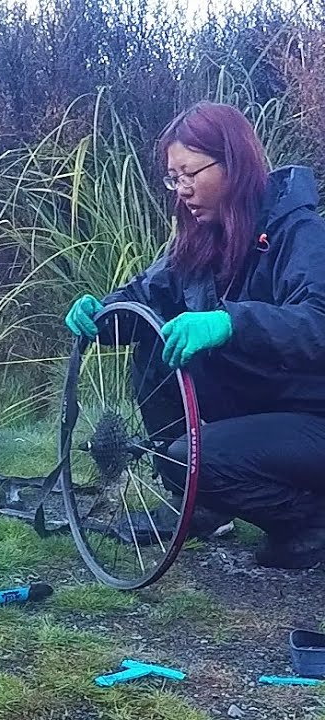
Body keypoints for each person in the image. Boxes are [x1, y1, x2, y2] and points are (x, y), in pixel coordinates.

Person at [64, 100, 325, 570]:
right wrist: (99, 314)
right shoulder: (200, 237)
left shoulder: (300, 232)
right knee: (154, 347)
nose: (180, 189)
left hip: (312, 417)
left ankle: (309, 521)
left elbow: (318, 324)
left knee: (190, 457)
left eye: (189, 173)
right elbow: (143, 297)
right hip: (260, 402)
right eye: (172, 178)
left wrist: (231, 322)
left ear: (233, 162)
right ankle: (203, 506)